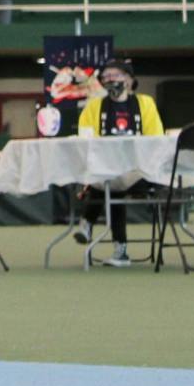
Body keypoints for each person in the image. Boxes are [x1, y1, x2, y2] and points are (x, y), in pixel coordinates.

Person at [69, 58, 164, 268]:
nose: (111, 79)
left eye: (116, 75)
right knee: (111, 181)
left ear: (129, 80)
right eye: (107, 76)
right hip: (105, 170)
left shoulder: (145, 103)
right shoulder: (94, 107)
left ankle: (87, 223)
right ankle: (120, 252)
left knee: (115, 183)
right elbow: (86, 139)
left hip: (139, 170)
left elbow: (156, 138)